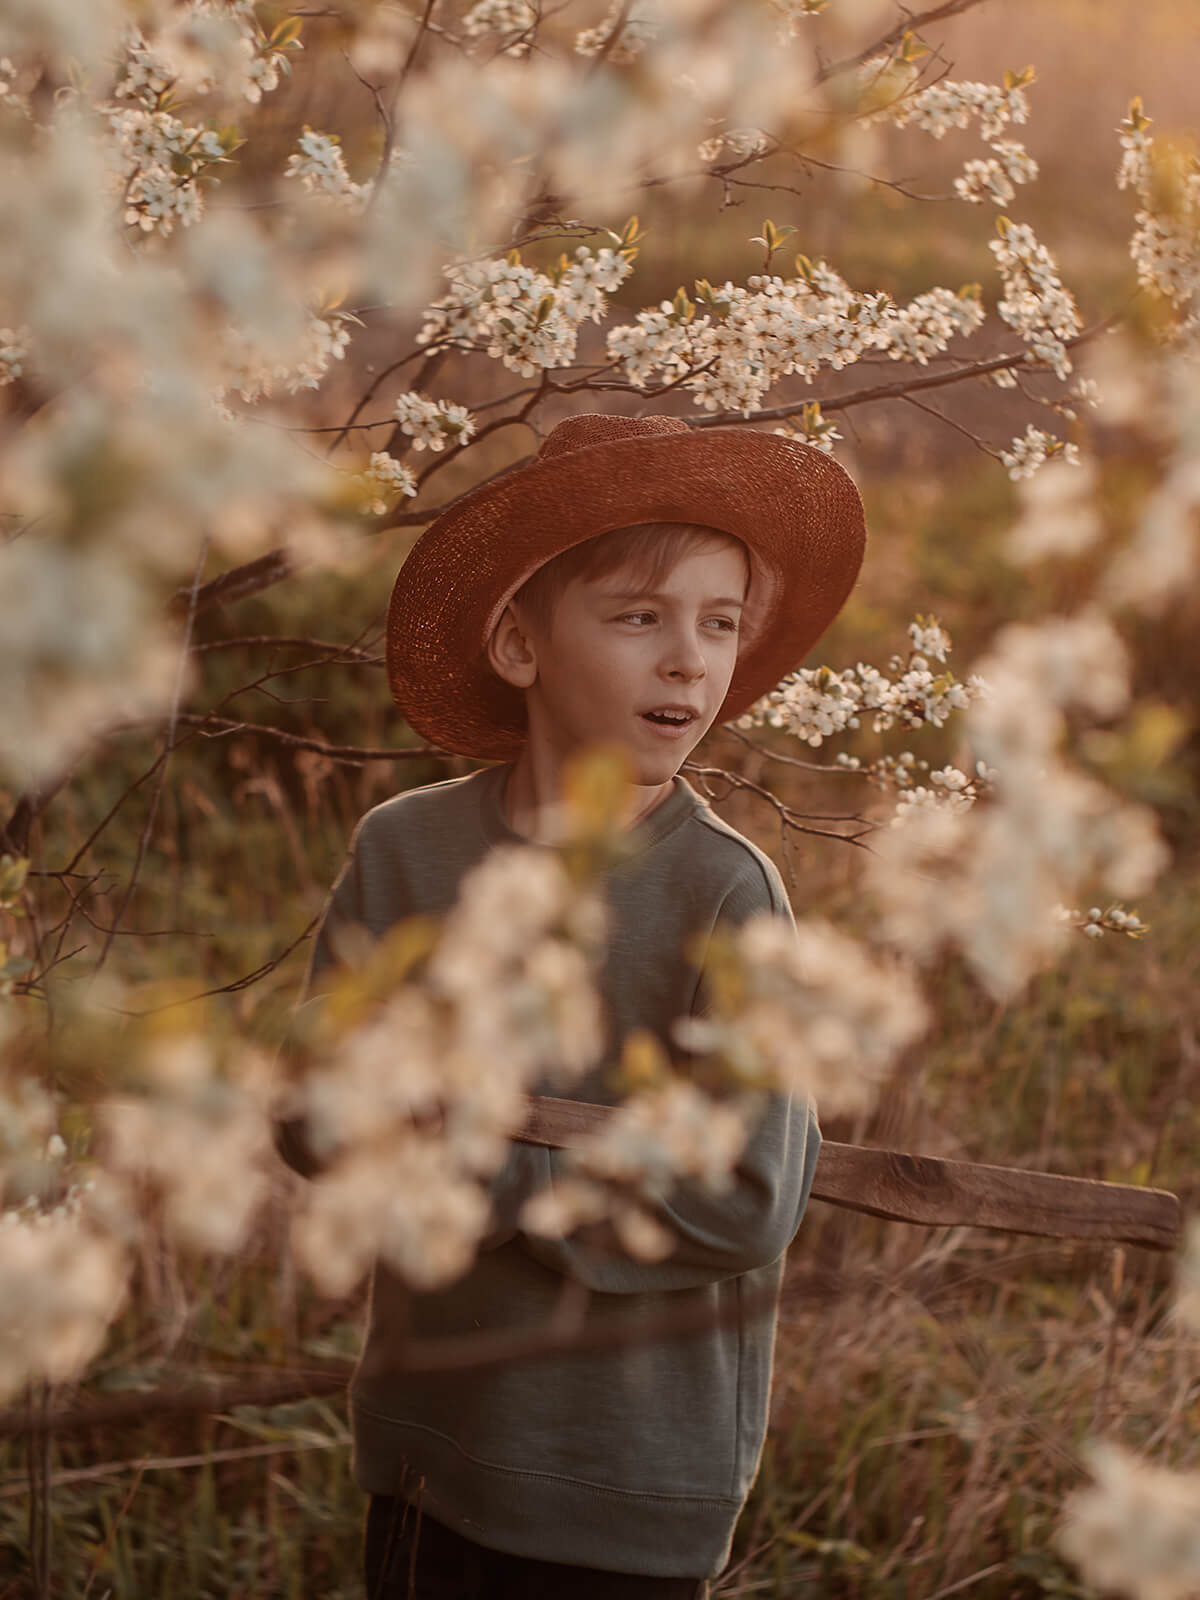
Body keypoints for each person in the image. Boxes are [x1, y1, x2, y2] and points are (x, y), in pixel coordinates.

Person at [272, 411, 867, 1598]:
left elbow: (747, 1195)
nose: (689, 661)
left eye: (719, 624)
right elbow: (311, 1109)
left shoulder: (726, 893)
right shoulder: (407, 851)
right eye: (639, 617)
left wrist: (478, 1170)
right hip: (425, 1443)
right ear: (520, 644)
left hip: (621, 1478)